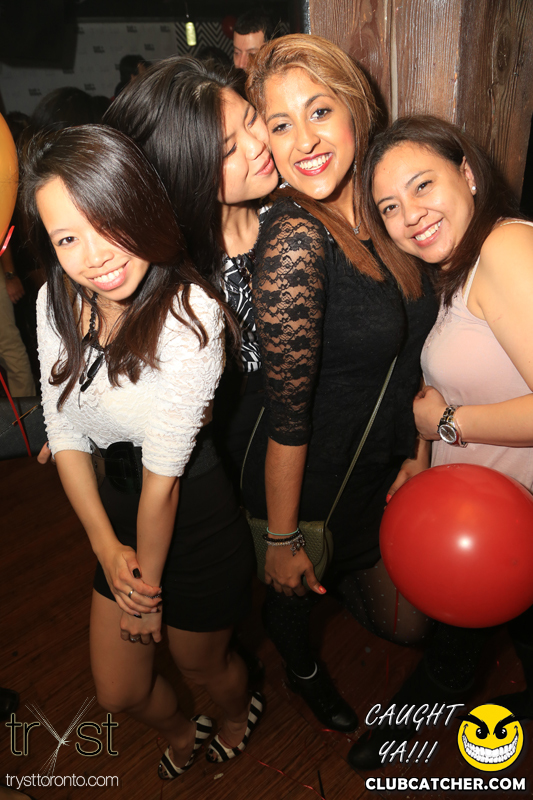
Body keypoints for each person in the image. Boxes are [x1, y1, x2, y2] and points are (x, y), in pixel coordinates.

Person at [22, 125, 262, 781]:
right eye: (67, 238)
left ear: (140, 204)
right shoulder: (55, 300)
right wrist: (105, 546)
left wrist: (145, 594)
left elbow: (166, 482)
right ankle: (184, 727)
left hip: (193, 513)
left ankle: (235, 712)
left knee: (201, 664)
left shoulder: (190, 314)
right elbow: (64, 431)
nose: (94, 255)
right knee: (119, 692)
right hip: (118, 510)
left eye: (107, 222)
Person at [242, 35, 439, 733]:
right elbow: (286, 415)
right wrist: (282, 537)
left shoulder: (387, 210)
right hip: (310, 480)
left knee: (411, 625)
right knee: (292, 596)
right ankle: (298, 665)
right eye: (280, 124)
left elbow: (418, 355)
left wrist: (417, 453)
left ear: (355, 107)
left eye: (319, 111)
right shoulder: (296, 239)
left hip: (380, 466)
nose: (304, 141)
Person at [348, 114, 533, 768]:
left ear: (469, 174)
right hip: (486, 513)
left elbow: (446, 408)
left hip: (510, 518)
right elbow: (448, 380)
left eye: (422, 185)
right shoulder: (455, 266)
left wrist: (446, 425)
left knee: (456, 647)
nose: (410, 215)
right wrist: (423, 453)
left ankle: (395, 733)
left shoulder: (506, 248)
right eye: (389, 207)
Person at [104, 56, 279, 490]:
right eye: (228, 149)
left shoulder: (295, 214)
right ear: (186, 171)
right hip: (228, 463)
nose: (257, 145)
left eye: (251, 119)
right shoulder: (172, 276)